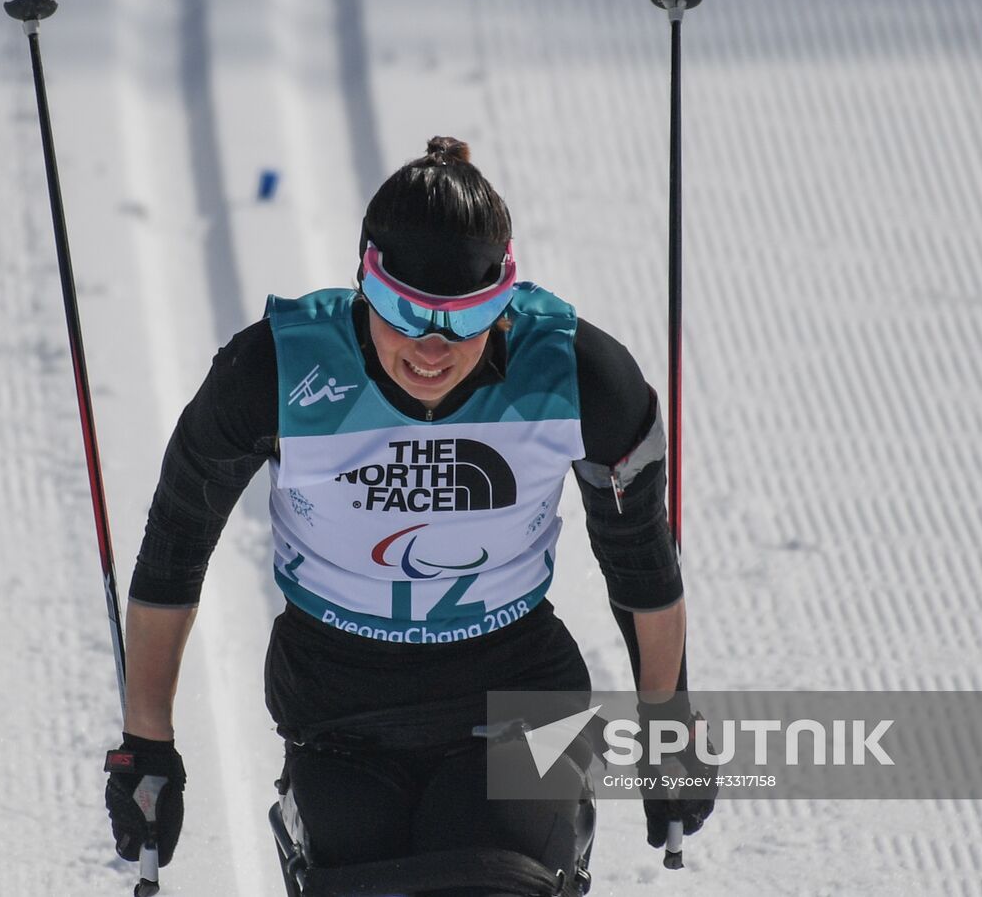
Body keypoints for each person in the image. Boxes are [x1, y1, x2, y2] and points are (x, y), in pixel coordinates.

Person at [103, 137, 715, 891]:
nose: (432, 347)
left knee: (496, 876)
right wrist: (147, 742)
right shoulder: (274, 373)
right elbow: (174, 548)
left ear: (505, 299)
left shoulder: (577, 377)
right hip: (340, 713)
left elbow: (641, 562)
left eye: (467, 316)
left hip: (520, 690)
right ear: (365, 283)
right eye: (403, 311)